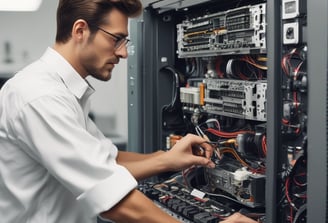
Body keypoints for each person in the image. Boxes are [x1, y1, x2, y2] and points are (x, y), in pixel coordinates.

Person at [0, 0, 217, 223]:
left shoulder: (61, 91)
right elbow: (112, 199)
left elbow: (108, 162)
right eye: (116, 39)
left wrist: (166, 159)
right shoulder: (41, 96)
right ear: (80, 30)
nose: (123, 53)